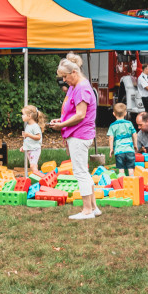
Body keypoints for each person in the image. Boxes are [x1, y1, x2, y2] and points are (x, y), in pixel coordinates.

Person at [49, 53, 99, 220]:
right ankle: (93, 207)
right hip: (77, 133)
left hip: (80, 134)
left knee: (80, 172)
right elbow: (71, 112)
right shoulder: (76, 86)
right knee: (83, 171)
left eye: (65, 76)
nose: (64, 80)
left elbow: (80, 115)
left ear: (74, 73)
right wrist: (61, 119)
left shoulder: (82, 88)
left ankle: (87, 211)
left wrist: (61, 125)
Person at [107, 102, 138, 177]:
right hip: (129, 150)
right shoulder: (129, 123)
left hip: (119, 151)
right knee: (131, 169)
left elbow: (111, 138)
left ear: (114, 114)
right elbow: (134, 134)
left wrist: (111, 149)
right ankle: (132, 181)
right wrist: (135, 145)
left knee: (121, 169)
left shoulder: (112, 126)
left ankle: (122, 183)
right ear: (125, 113)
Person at [21, 105, 45, 171]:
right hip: (30, 149)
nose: (22, 116)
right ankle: (36, 177)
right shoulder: (28, 125)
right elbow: (28, 140)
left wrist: (28, 135)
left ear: (29, 116)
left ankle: (38, 178)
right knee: (33, 165)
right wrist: (24, 146)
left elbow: (38, 137)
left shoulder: (35, 126)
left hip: (35, 149)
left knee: (32, 166)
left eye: (23, 114)